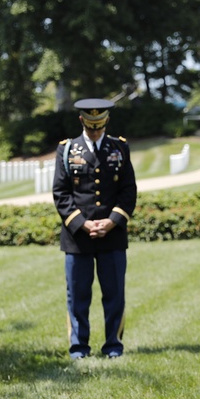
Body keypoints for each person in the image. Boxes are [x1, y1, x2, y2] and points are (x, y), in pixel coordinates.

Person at [52, 98, 137, 360]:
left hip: (112, 236)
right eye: (91, 126)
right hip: (78, 238)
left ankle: (113, 345)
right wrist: (83, 223)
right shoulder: (67, 150)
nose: (95, 131)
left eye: (99, 125)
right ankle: (79, 347)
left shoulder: (119, 148)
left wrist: (112, 221)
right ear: (82, 121)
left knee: (114, 295)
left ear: (107, 121)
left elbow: (128, 190)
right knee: (77, 296)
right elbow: (61, 193)